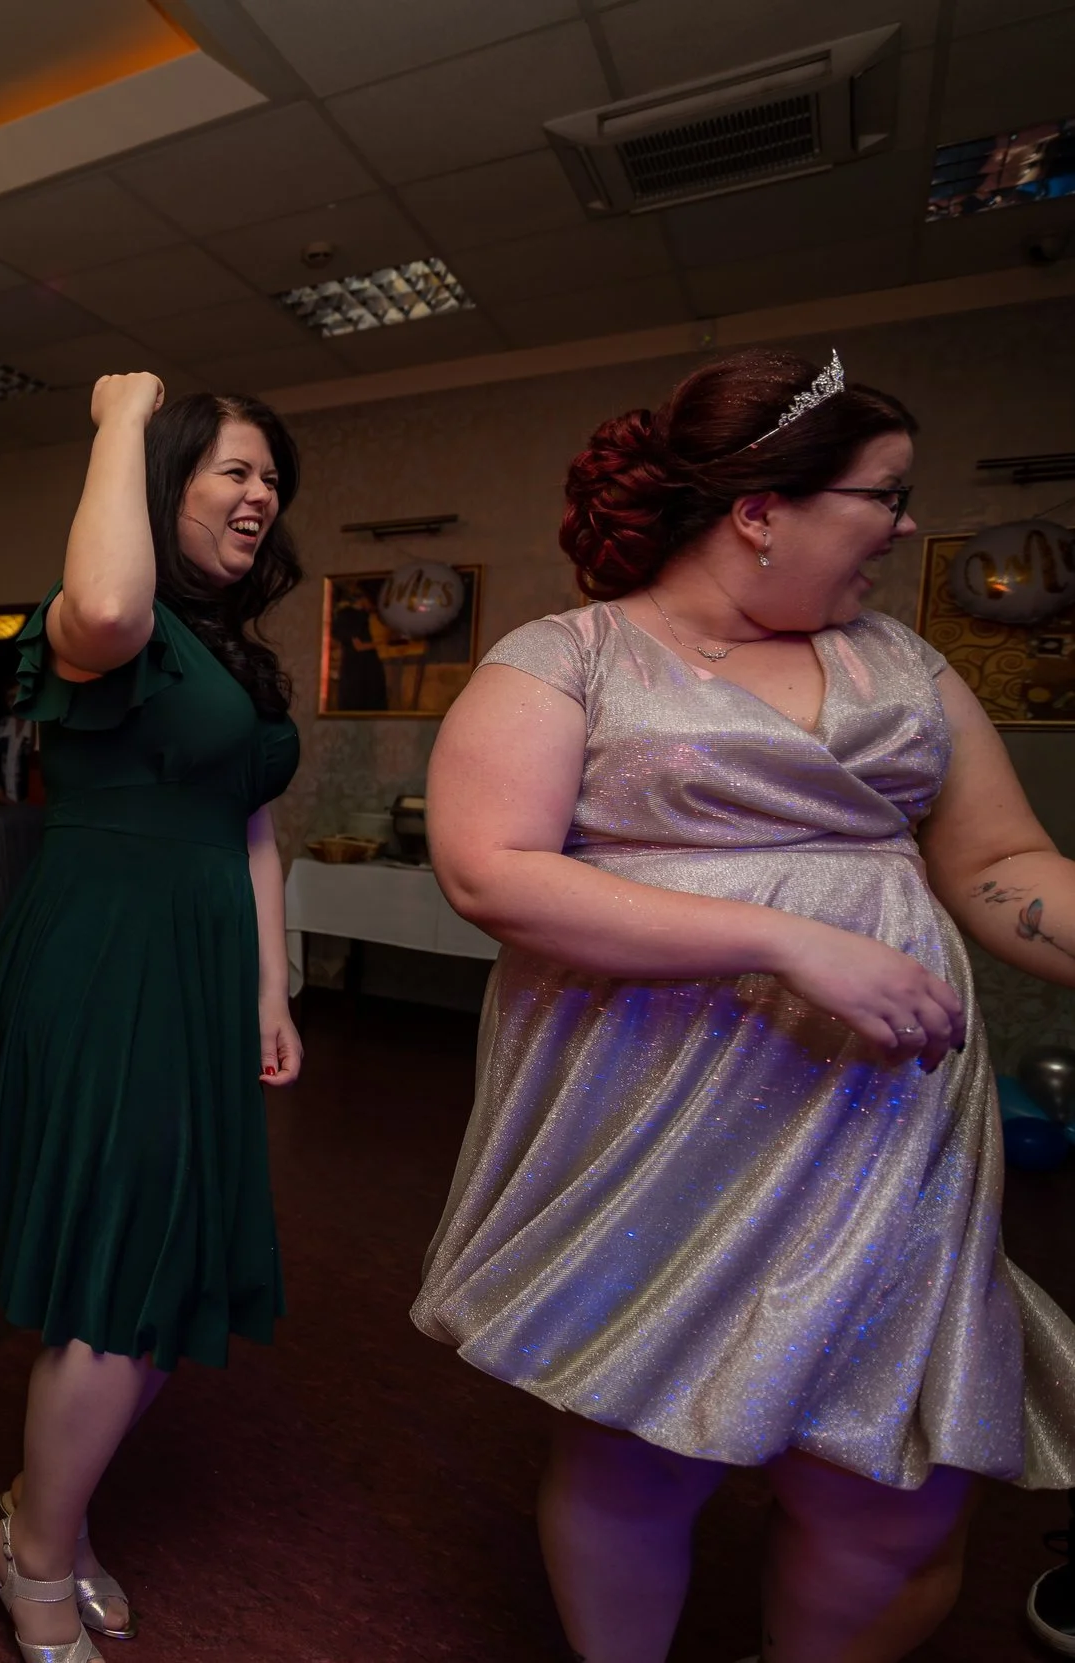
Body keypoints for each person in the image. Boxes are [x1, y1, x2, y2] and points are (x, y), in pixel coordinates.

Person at [411, 347, 1075, 1663]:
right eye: (882, 496)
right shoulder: (570, 656)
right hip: (655, 1106)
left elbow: (1001, 866)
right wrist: (791, 941)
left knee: (888, 1478)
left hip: (880, 1117)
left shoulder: (909, 663)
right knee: (635, 1445)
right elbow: (493, 868)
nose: (904, 524)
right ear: (762, 509)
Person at [0, 379, 305, 1663]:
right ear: (163, 488)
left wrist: (268, 985)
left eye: (270, 479)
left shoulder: (236, 655)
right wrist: (119, 420)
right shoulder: (107, 627)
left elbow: (252, 827)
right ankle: (37, 1563)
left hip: (198, 970)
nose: (260, 494)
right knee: (115, 1275)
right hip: (106, 959)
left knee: (168, 1264)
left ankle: (36, 1522)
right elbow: (99, 601)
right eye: (232, 472)